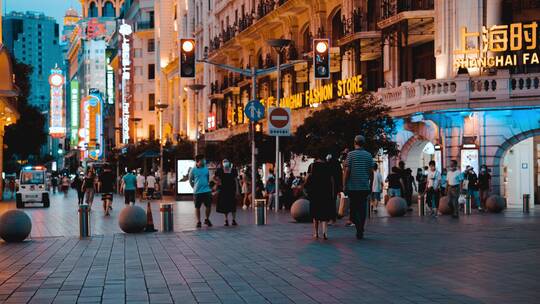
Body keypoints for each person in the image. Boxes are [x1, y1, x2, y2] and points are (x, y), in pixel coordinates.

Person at [343, 135, 374, 240]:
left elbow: (347, 171)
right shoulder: (368, 155)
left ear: (354, 143)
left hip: (353, 187)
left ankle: (358, 228)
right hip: (364, 187)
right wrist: (370, 185)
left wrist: (344, 184)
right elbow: (371, 172)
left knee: (354, 209)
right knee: (362, 209)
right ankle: (361, 228)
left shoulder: (350, 155)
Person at [305, 154, 334, 240]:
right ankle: (325, 232)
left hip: (315, 192)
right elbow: (332, 180)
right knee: (324, 213)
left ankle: (316, 233)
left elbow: (307, 178)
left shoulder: (312, 166)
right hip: (326, 192)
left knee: (315, 213)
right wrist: (332, 192)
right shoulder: (328, 166)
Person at [189, 154, 213, 228]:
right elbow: (190, 180)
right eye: (202, 160)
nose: (204, 161)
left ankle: (207, 219)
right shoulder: (193, 170)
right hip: (197, 192)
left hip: (207, 191)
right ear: (198, 161)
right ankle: (198, 221)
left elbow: (208, 178)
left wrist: (209, 187)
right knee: (197, 207)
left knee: (208, 206)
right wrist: (194, 187)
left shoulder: (206, 168)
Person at [215, 159, 238, 226]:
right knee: (225, 206)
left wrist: (237, 191)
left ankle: (234, 220)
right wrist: (218, 183)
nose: (225, 163)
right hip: (223, 190)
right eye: (224, 162)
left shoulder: (233, 170)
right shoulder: (220, 171)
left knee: (233, 205)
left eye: (226, 162)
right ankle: (226, 220)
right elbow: (215, 177)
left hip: (231, 190)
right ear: (222, 163)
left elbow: (236, 180)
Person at [327, 154, 342, 223]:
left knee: (330, 202)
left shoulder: (329, 163)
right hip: (335, 185)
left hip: (330, 185)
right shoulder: (337, 163)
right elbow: (340, 175)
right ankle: (333, 218)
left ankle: (331, 218)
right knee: (333, 201)